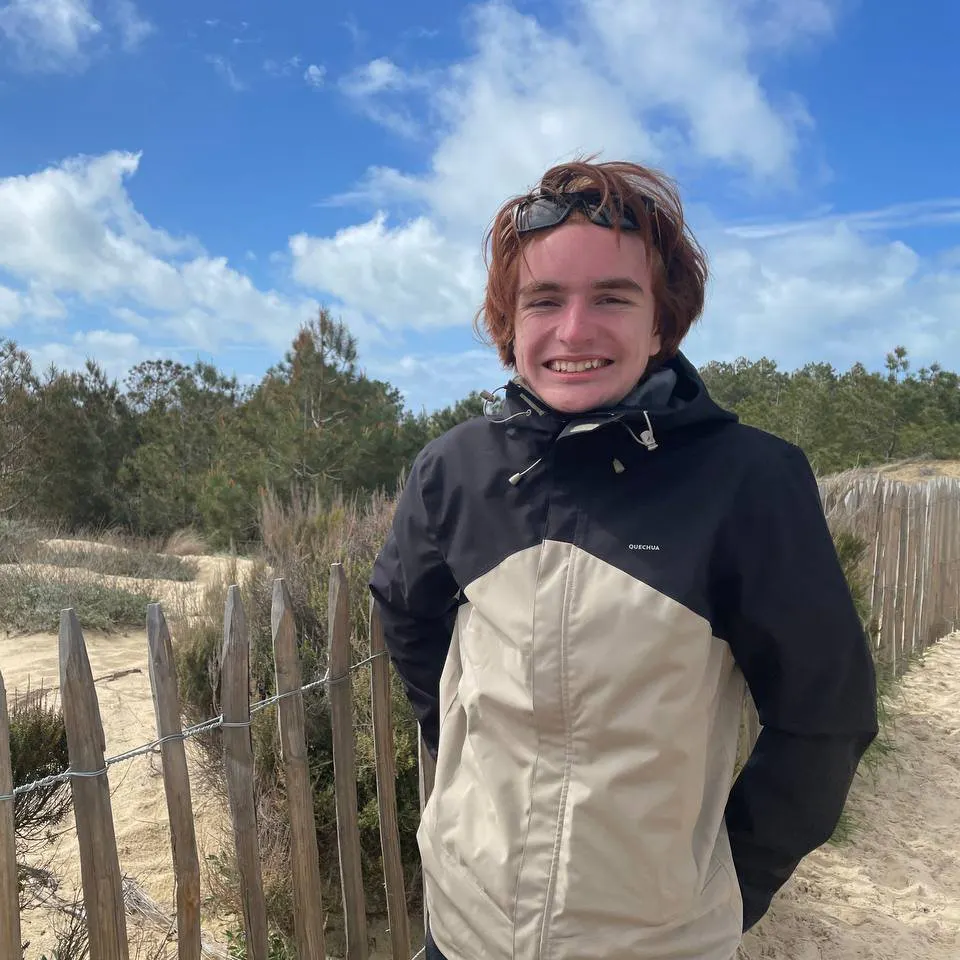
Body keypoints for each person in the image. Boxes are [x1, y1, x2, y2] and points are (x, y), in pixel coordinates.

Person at [369, 158, 879, 960]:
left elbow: (825, 716)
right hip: (463, 932)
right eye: (544, 300)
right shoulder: (456, 470)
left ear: (661, 323)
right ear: (509, 326)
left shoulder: (748, 480)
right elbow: (406, 612)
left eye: (612, 297)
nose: (574, 331)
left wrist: (728, 886)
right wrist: (458, 747)